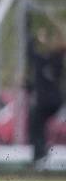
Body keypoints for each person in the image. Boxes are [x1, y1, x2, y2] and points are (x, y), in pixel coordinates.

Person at [28, 27, 65, 164]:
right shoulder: (52, 61)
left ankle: (40, 155)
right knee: (38, 124)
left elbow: (30, 52)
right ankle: (41, 153)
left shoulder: (50, 60)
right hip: (54, 102)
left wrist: (37, 38)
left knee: (36, 125)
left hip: (47, 101)